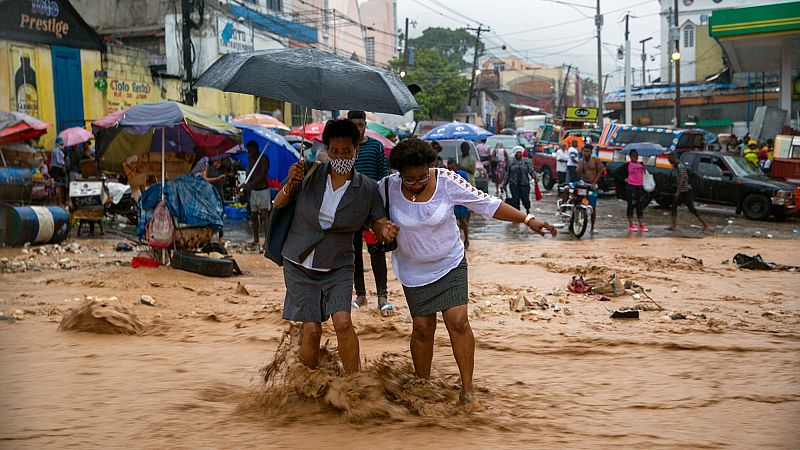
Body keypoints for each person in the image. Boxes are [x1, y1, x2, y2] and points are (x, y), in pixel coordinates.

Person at [379, 138, 557, 404]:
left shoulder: (447, 180)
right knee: (422, 329)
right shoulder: (387, 187)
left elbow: (488, 204)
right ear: (399, 174)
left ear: (430, 167)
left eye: (422, 177)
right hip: (413, 270)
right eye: (410, 180)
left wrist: (528, 219)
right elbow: (371, 217)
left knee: (458, 321)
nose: (416, 184)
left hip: (449, 263)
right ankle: (423, 387)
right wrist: (380, 226)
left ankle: (468, 390)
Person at [275, 119, 398, 374]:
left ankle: (353, 385)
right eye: (335, 151)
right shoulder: (307, 172)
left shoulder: (367, 188)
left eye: (347, 151)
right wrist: (291, 183)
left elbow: (377, 221)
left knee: (342, 323)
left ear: (357, 151)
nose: (340, 156)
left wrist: (384, 229)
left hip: (338, 264)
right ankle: (308, 385)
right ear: (327, 151)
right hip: (299, 263)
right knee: (311, 329)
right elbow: (278, 204)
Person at [347, 110, 391, 313]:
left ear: (366, 125)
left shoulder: (376, 147)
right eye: (355, 124)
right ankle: (361, 295)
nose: (359, 128)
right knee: (354, 252)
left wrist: (383, 211)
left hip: (373, 209)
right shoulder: (345, 150)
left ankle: (382, 296)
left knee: (376, 251)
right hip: (350, 209)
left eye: (361, 124)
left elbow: (384, 179)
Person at [666, 152, 709, 232]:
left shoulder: (680, 166)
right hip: (683, 191)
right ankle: (673, 225)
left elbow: (682, 178)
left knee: (689, 208)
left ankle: (705, 225)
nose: (669, 161)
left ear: (673, 158)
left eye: (669, 159)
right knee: (676, 207)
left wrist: (678, 191)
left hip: (685, 191)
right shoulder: (676, 167)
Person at [241, 141, 270, 245]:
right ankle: (256, 239)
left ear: (255, 149)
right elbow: (251, 174)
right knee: (253, 215)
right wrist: (244, 184)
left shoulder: (264, 158)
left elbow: (263, 175)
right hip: (254, 191)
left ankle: (267, 241)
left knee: (264, 215)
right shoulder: (251, 159)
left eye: (250, 150)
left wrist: (250, 185)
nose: (248, 152)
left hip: (263, 190)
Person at [614, 149, 648, 231]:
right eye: (633, 156)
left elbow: (645, 174)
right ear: (630, 156)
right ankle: (631, 224)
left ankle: (641, 224)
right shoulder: (627, 165)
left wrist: (644, 169)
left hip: (639, 187)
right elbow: (616, 173)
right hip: (631, 187)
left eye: (636, 156)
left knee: (640, 206)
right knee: (631, 205)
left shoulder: (641, 164)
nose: (635, 157)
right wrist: (624, 179)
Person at [575, 143, 603, 233]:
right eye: (584, 151)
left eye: (587, 151)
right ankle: (573, 221)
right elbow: (577, 172)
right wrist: (582, 161)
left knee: (592, 206)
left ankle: (592, 227)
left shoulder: (595, 160)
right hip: (583, 184)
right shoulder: (581, 161)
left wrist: (594, 182)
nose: (585, 153)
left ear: (591, 152)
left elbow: (600, 171)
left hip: (592, 186)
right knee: (577, 202)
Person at [502, 146, 537, 214]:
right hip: (514, 184)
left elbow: (531, 171)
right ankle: (517, 215)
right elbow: (507, 173)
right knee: (515, 200)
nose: (519, 154)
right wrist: (504, 184)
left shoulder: (527, 161)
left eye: (520, 153)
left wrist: (535, 177)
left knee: (525, 200)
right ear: (515, 154)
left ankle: (528, 211)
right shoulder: (510, 161)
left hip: (525, 184)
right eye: (517, 153)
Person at [447, 160, 472, 249]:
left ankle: (466, 240)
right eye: (449, 168)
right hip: (452, 201)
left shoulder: (462, 174)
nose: (451, 170)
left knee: (464, 222)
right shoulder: (447, 175)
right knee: (452, 223)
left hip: (462, 200)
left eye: (452, 168)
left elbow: (466, 187)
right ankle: (456, 241)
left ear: (455, 166)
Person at [50, 137, 67, 206]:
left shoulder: (58, 150)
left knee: (58, 186)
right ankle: (58, 202)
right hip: (57, 169)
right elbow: (58, 160)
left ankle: (57, 202)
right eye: (61, 143)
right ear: (57, 144)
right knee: (57, 186)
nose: (62, 145)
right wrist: (63, 165)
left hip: (57, 169)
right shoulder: (56, 151)